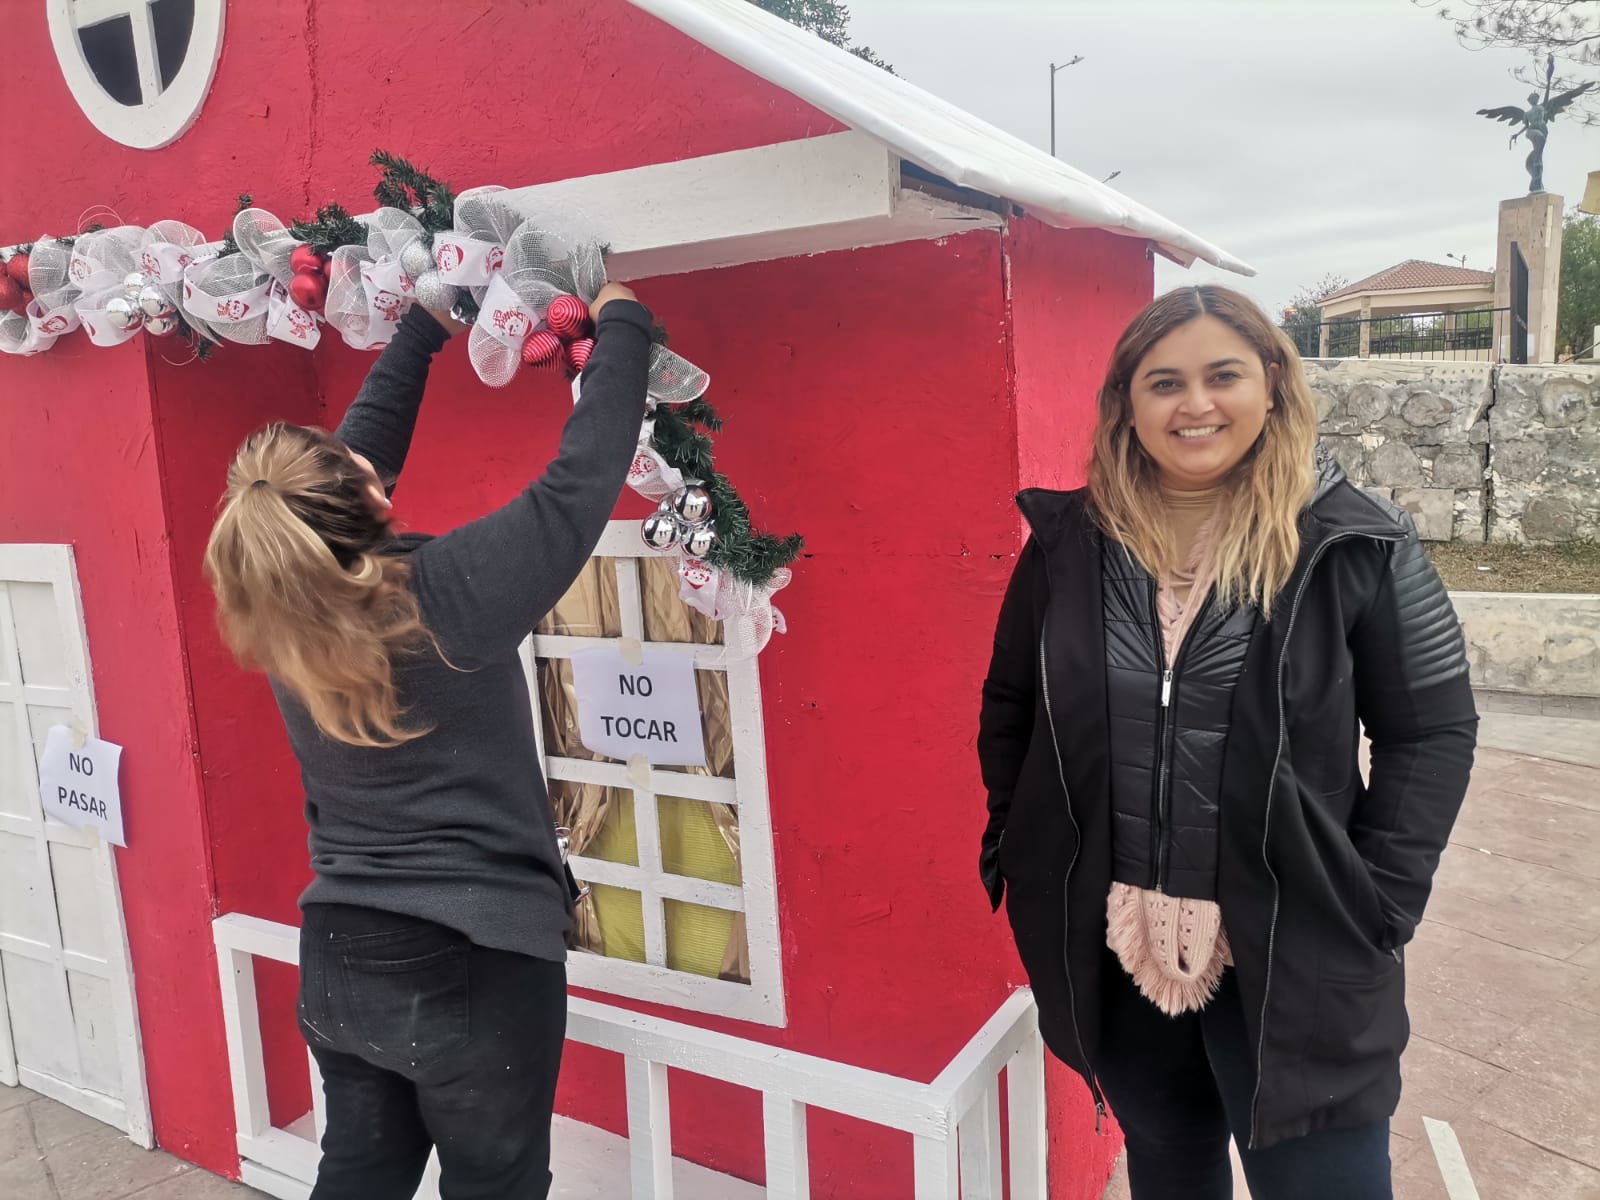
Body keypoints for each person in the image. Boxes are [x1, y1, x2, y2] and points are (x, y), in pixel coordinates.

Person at [977, 285, 1477, 1200]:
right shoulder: (1069, 544)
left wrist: (1380, 900)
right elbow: (1012, 703)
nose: (1194, 404)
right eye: (1163, 381)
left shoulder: (1353, 541)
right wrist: (1018, 844)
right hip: (1114, 943)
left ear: (1275, 386)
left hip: (1298, 950)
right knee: (1169, 1167)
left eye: (1222, 375)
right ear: (1127, 403)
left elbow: (1432, 728)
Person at [204, 281, 651, 1199]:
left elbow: (340, 482)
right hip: (472, 960)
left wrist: (421, 331)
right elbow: (578, 490)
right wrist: (624, 320)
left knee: (361, 1179)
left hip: (340, 956)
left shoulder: (285, 606)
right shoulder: (442, 598)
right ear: (366, 501)